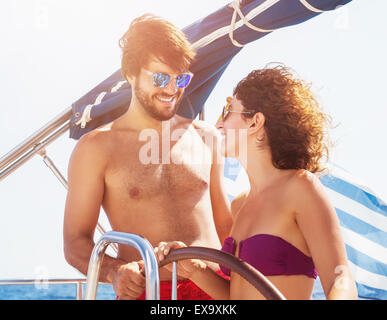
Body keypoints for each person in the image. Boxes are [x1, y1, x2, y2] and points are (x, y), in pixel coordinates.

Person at [63, 14, 232, 300]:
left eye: (181, 78)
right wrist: (115, 272)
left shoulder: (207, 138)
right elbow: (75, 242)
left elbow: (227, 227)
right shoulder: (95, 148)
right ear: (130, 74)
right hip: (149, 291)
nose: (171, 89)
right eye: (160, 77)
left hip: (216, 290)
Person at [155, 64, 358, 300]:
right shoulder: (239, 205)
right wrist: (195, 269)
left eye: (227, 110)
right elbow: (237, 295)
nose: (218, 123)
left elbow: (340, 278)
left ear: (255, 122)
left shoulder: (300, 186)